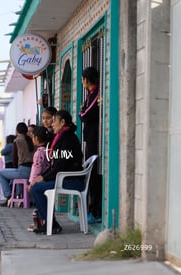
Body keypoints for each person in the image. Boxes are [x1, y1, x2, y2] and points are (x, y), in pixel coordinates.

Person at [30, 110, 84, 234]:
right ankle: (50, 223)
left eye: (54, 121)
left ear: (63, 122)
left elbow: (61, 166)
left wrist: (43, 177)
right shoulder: (62, 137)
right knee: (37, 186)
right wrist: (42, 177)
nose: (52, 124)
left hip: (72, 181)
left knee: (36, 189)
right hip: (65, 178)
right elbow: (57, 165)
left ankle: (51, 224)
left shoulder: (68, 140)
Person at [79, 66, 101, 223]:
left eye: (82, 79)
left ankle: (95, 211)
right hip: (90, 138)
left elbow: (86, 114)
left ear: (86, 79)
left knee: (93, 174)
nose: (82, 82)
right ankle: (92, 209)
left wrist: (81, 113)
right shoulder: (90, 94)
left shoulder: (97, 93)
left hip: (95, 139)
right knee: (89, 174)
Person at [0, 122, 35, 207]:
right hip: (33, 171)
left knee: (0, 173)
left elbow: (15, 158)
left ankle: (9, 196)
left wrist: (17, 167)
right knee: (16, 176)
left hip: (23, 170)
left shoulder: (17, 140)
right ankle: (19, 196)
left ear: (17, 131)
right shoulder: (31, 139)